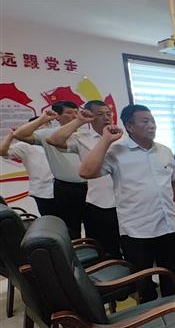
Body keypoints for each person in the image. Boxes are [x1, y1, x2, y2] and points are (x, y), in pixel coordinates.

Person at [79, 105, 175, 303]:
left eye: (152, 120)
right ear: (129, 126)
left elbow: (174, 183)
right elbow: (86, 172)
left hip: (168, 224)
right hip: (137, 230)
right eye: (145, 121)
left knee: (170, 271)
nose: (152, 125)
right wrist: (105, 140)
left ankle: (174, 308)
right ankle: (150, 313)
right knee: (143, 279)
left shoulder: (164, 151)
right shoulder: (116, 152)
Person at [46, 100, 121, 258]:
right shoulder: (81, 138)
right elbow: (53, 140)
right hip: (100, 201)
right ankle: (110, 270)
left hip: (124, 200)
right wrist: (79, 120)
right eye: (100, 114)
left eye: (109, 114)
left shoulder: (121, 137)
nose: (106, 117)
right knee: (105, 246)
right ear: (91, 117)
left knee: (128, 243)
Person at [13, 102, 86, 238]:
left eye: (77, 112)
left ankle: (94, 250)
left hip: (90, 186)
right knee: (70, 227)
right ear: (57, 116)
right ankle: (73, 250)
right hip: (66, 188)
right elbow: (19, 134)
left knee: (93, 223)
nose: (75, 116)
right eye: (69, 113)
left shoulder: (86, 134)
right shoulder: (48, 134)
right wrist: (43, 119)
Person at [1, 118, 54, 215]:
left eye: (46, 124)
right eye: (38, 125)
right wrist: (11, 135)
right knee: (49, 219)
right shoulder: (24, 146)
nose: (42, 127)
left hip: (64, 189)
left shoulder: (58, 141)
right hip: (42, 192)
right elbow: (2, 151)